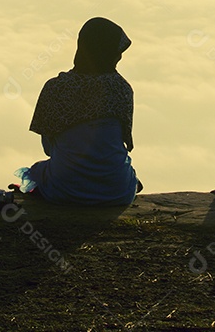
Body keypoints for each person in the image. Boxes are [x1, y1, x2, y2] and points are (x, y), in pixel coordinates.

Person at [18, 17, 140, 205]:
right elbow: (123, 142)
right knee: (126, 171)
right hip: (116, 192)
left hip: (64, 189)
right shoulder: (122, 89)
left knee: (37, 171)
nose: (119, 57)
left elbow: (48, 149)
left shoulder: (55, 88)